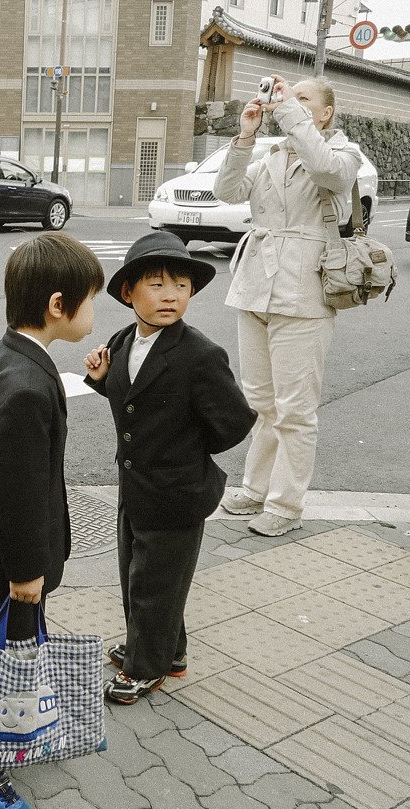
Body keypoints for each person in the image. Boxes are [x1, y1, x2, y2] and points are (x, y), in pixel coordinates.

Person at [0, 231, 104, 809]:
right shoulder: (28, 385)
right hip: (5, 565)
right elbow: (14, 488)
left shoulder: (1, 354)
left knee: (2, 653)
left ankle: (5, 735)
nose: (97, 312)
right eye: (91, 299)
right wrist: (25, 573)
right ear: (58, 305)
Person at [83, 231, 255, 704]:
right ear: (128, 293)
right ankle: (167, 649)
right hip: (135, 488)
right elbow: (139, 401)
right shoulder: (123, 341)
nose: (170, 296)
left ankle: (146, 666)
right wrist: (101, 379)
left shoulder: (200, 354)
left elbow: (234, 422)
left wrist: (185, 450)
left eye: (180, 286)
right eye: (156, 285)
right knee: (139, 575)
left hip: (178, 493)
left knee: (154, 586)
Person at [213, 75, 360, 537]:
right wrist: (245, 136)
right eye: (286, 96)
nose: (287, 103)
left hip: (304, 291)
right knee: (261, 401)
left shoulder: (344, 155)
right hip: (255, 284)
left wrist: (289, 115)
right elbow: (227, 191)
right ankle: (256, 488)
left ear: (324, 113)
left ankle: (286, 503)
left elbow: (329, 172)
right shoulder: (271, 155)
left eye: (302, 99)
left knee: (295, 408)